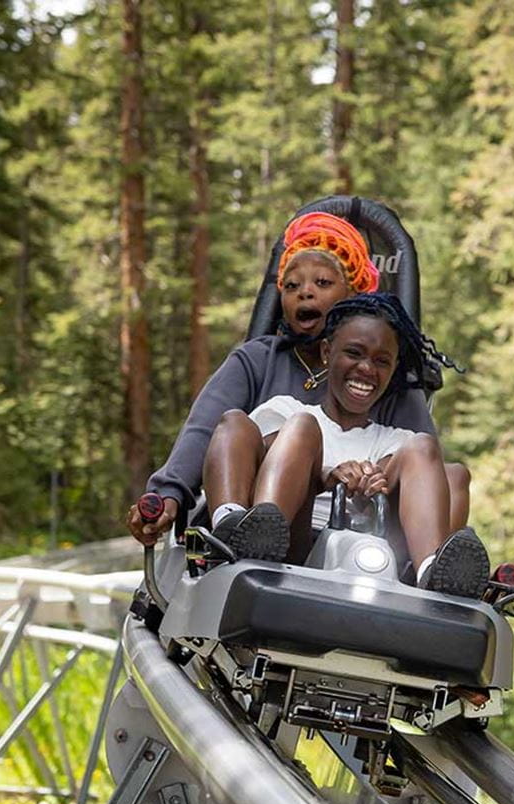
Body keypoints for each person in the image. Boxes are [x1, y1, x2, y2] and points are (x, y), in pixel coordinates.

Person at [126, 211, 470, 545]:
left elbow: (422, 466)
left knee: (453, 473)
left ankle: (432, 568)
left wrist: (372, 477)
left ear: (353, 296)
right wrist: (168, 493)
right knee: (266, 428)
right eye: (291, 286)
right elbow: (204, 432)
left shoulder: (389, 380)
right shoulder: (258, 360)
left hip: (365, 535)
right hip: (272, 512)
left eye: (322, 283)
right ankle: (242, 534)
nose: (305, 292)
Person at [202, 292, 489, 597]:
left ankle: (433, 570)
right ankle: (241, 534)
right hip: (291, 544)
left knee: (441, 461)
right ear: (327, 352)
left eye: (381, 361)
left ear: (393, 370)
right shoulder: (286, 411)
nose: (366, 368)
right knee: (277, 425)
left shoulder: (397, 441)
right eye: (354, 353)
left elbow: (400, 468)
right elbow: (260, 456)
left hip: (371, 560)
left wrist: (372, 485)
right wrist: (324, 477)